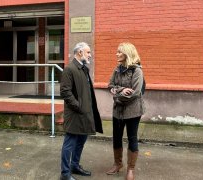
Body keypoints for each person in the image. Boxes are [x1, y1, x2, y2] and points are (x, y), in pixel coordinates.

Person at [60, 42, 103, 180]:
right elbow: (65, 92)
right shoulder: (69, 69)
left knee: (81, 141)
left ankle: (75, 166)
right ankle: (65, 173)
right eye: (88, 52)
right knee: (69, 143)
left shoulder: (84, 68)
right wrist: (78, 106)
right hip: (75, 114)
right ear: (80, 52)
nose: (90, 55)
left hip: (85, 114)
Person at [105, 42, 145, 180]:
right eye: (117, 52)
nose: (116, 54)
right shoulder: (117, 69)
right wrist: (121, 90)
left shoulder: (137, 71)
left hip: (133, 111)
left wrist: (116, 94)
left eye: (119, 52)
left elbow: (135, 93)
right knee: (116, 137)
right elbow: (109, 85)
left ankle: (131, 169)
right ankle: (118, 164)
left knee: (132, 138)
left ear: (127, 54)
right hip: (118, 111)